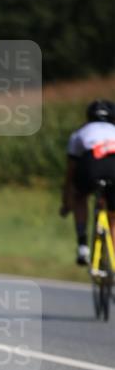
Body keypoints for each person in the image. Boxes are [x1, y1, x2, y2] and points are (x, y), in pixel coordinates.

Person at [60, 99, 115, 265]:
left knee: (80, 196)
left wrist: (67, 201)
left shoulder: (79, 133)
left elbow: (71, 170)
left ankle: (83, 244)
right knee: (113, 216)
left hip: (92, 165)